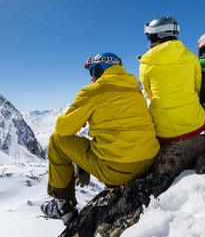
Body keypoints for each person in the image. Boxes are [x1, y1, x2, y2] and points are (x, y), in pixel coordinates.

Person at [41, 52, 160, 225]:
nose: (91, 78)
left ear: (99, 70)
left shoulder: (93, 91)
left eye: (92, 72)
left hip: (117, 172)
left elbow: (63, 129)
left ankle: (62, 206)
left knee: (56, 141)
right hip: (148, 162)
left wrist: (80, 116)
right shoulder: (135, 90)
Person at [139, 16, 205, 142]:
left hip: (165, 132)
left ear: (157, 36)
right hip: (196, 124)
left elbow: (149, 93)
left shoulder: (146, 64)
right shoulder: (192, 58)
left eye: (150, 36)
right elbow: (197, 88)